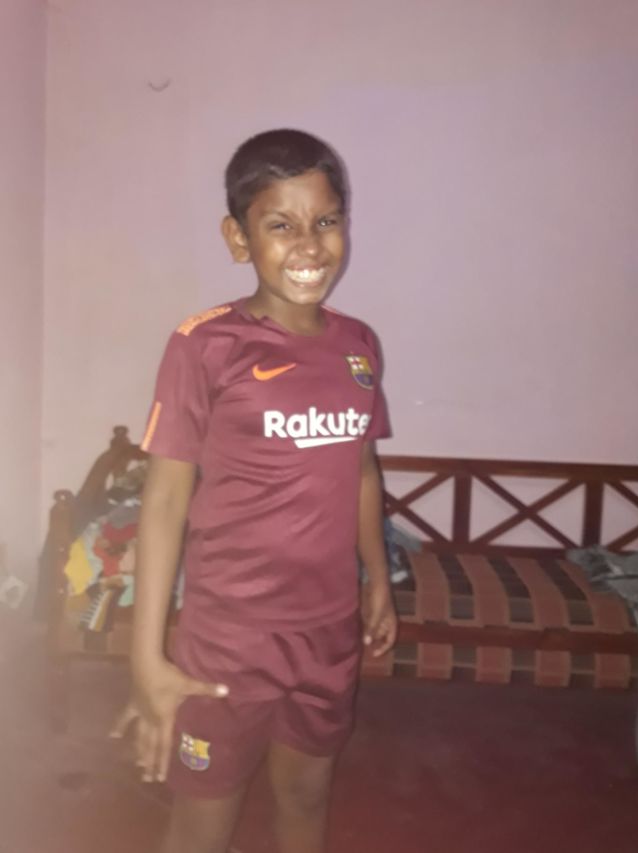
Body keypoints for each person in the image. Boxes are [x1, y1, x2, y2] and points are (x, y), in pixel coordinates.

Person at [114, 128, 397, 853]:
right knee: (203, 821)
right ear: (238, 239)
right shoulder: (205, 344)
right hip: (227, 641)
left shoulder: (359, 345)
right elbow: (165, 501)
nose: (309, 245)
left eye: (326, 220)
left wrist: (377, 579)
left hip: (327, 633)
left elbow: (363, 469)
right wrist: (147, 658)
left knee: (306, 796)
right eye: (281, 225)